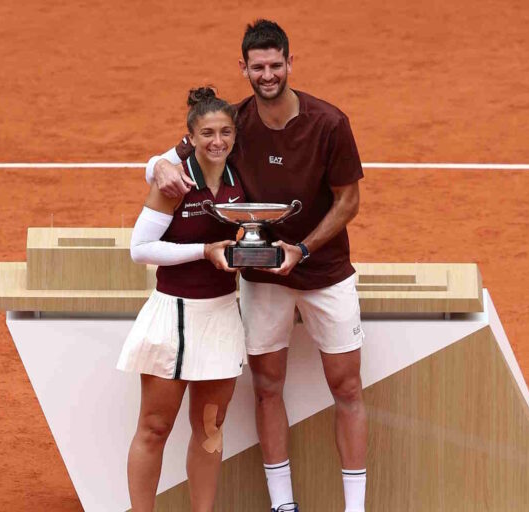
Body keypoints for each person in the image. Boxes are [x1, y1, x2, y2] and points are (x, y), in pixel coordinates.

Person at [146, 20, 367, 512]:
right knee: (267, 387)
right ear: (243, 68)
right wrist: (156, 165)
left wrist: (302, 249)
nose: (267, 75)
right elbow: (173, 156)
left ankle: (355, 508)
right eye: (258, 67)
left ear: (290, 63)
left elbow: (349, 201)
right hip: (263, 277)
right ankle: (282, 505)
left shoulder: (330, 123)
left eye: (275, 65)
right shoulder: (235, 123)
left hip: (326, 273)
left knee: (347, 386)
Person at [117, 86, 247, 512]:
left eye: (225, 132)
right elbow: (140, 249)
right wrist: (204, 251)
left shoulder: (241, 180)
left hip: (221, 316)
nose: (217, 141)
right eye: (207, 133)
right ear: (190, 137)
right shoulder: (174, 182)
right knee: (155, 427)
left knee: (210, 428)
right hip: (173, 317)